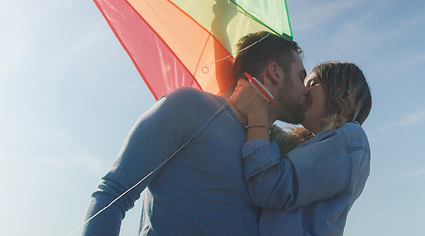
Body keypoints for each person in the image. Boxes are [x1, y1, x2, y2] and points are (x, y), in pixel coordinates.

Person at [81, 31, 309, 235]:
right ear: (275, 72)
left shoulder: (275, 153)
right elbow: (113, 193)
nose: (307, 88)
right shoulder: (190, 106)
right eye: (301, 76)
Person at [232, 62, 372, 236]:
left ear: (339, 90)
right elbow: (278, 150)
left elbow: (268, 187)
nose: (304, 91)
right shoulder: (324, 146)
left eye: (312, 84)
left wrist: (257, 115)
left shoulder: (349, 138)